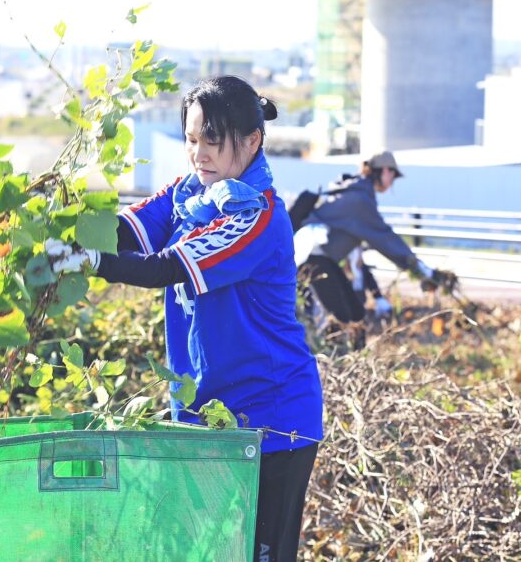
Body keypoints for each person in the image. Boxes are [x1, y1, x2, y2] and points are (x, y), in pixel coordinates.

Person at [47, 76, 323, 560]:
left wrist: (92, 262)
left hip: (273, 419)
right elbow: (127, 231)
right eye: (192, 140)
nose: (199, 154)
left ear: (252, 140)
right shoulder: (186, 195)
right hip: (203, 416)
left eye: (213, 141)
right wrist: (62, 230)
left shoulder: (256, 216)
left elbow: (166, 267)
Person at [294, 151, 456, 342]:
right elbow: (386, 239)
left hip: (318, 260)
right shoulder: (359, 200)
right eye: (393, 175)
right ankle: (334, 361)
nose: (392, 181)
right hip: (314, 261)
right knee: (342, 320)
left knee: (356, 315)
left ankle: (344, 359)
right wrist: (424, 272)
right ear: (385, 171)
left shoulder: (352, 189)